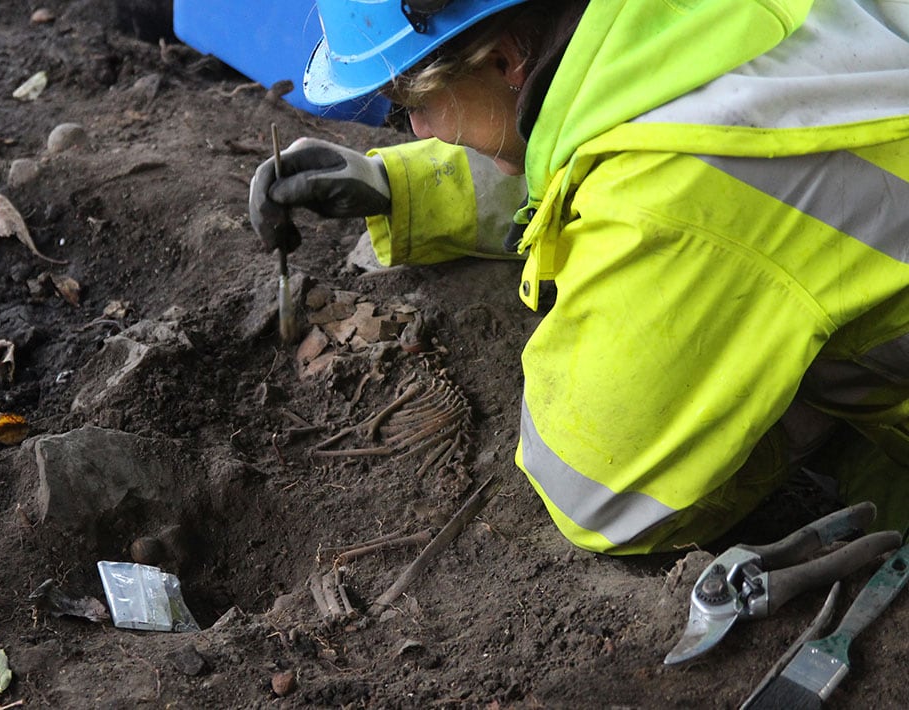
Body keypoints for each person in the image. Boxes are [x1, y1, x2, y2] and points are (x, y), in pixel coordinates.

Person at [249, 0, 909, 554]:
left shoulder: (677, 194)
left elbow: (600, 494)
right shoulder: (667, 34)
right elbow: (598, 138)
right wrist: (397, 187)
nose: (416, 126)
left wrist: (770, 412)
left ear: (506, 59)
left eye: (411, 100)